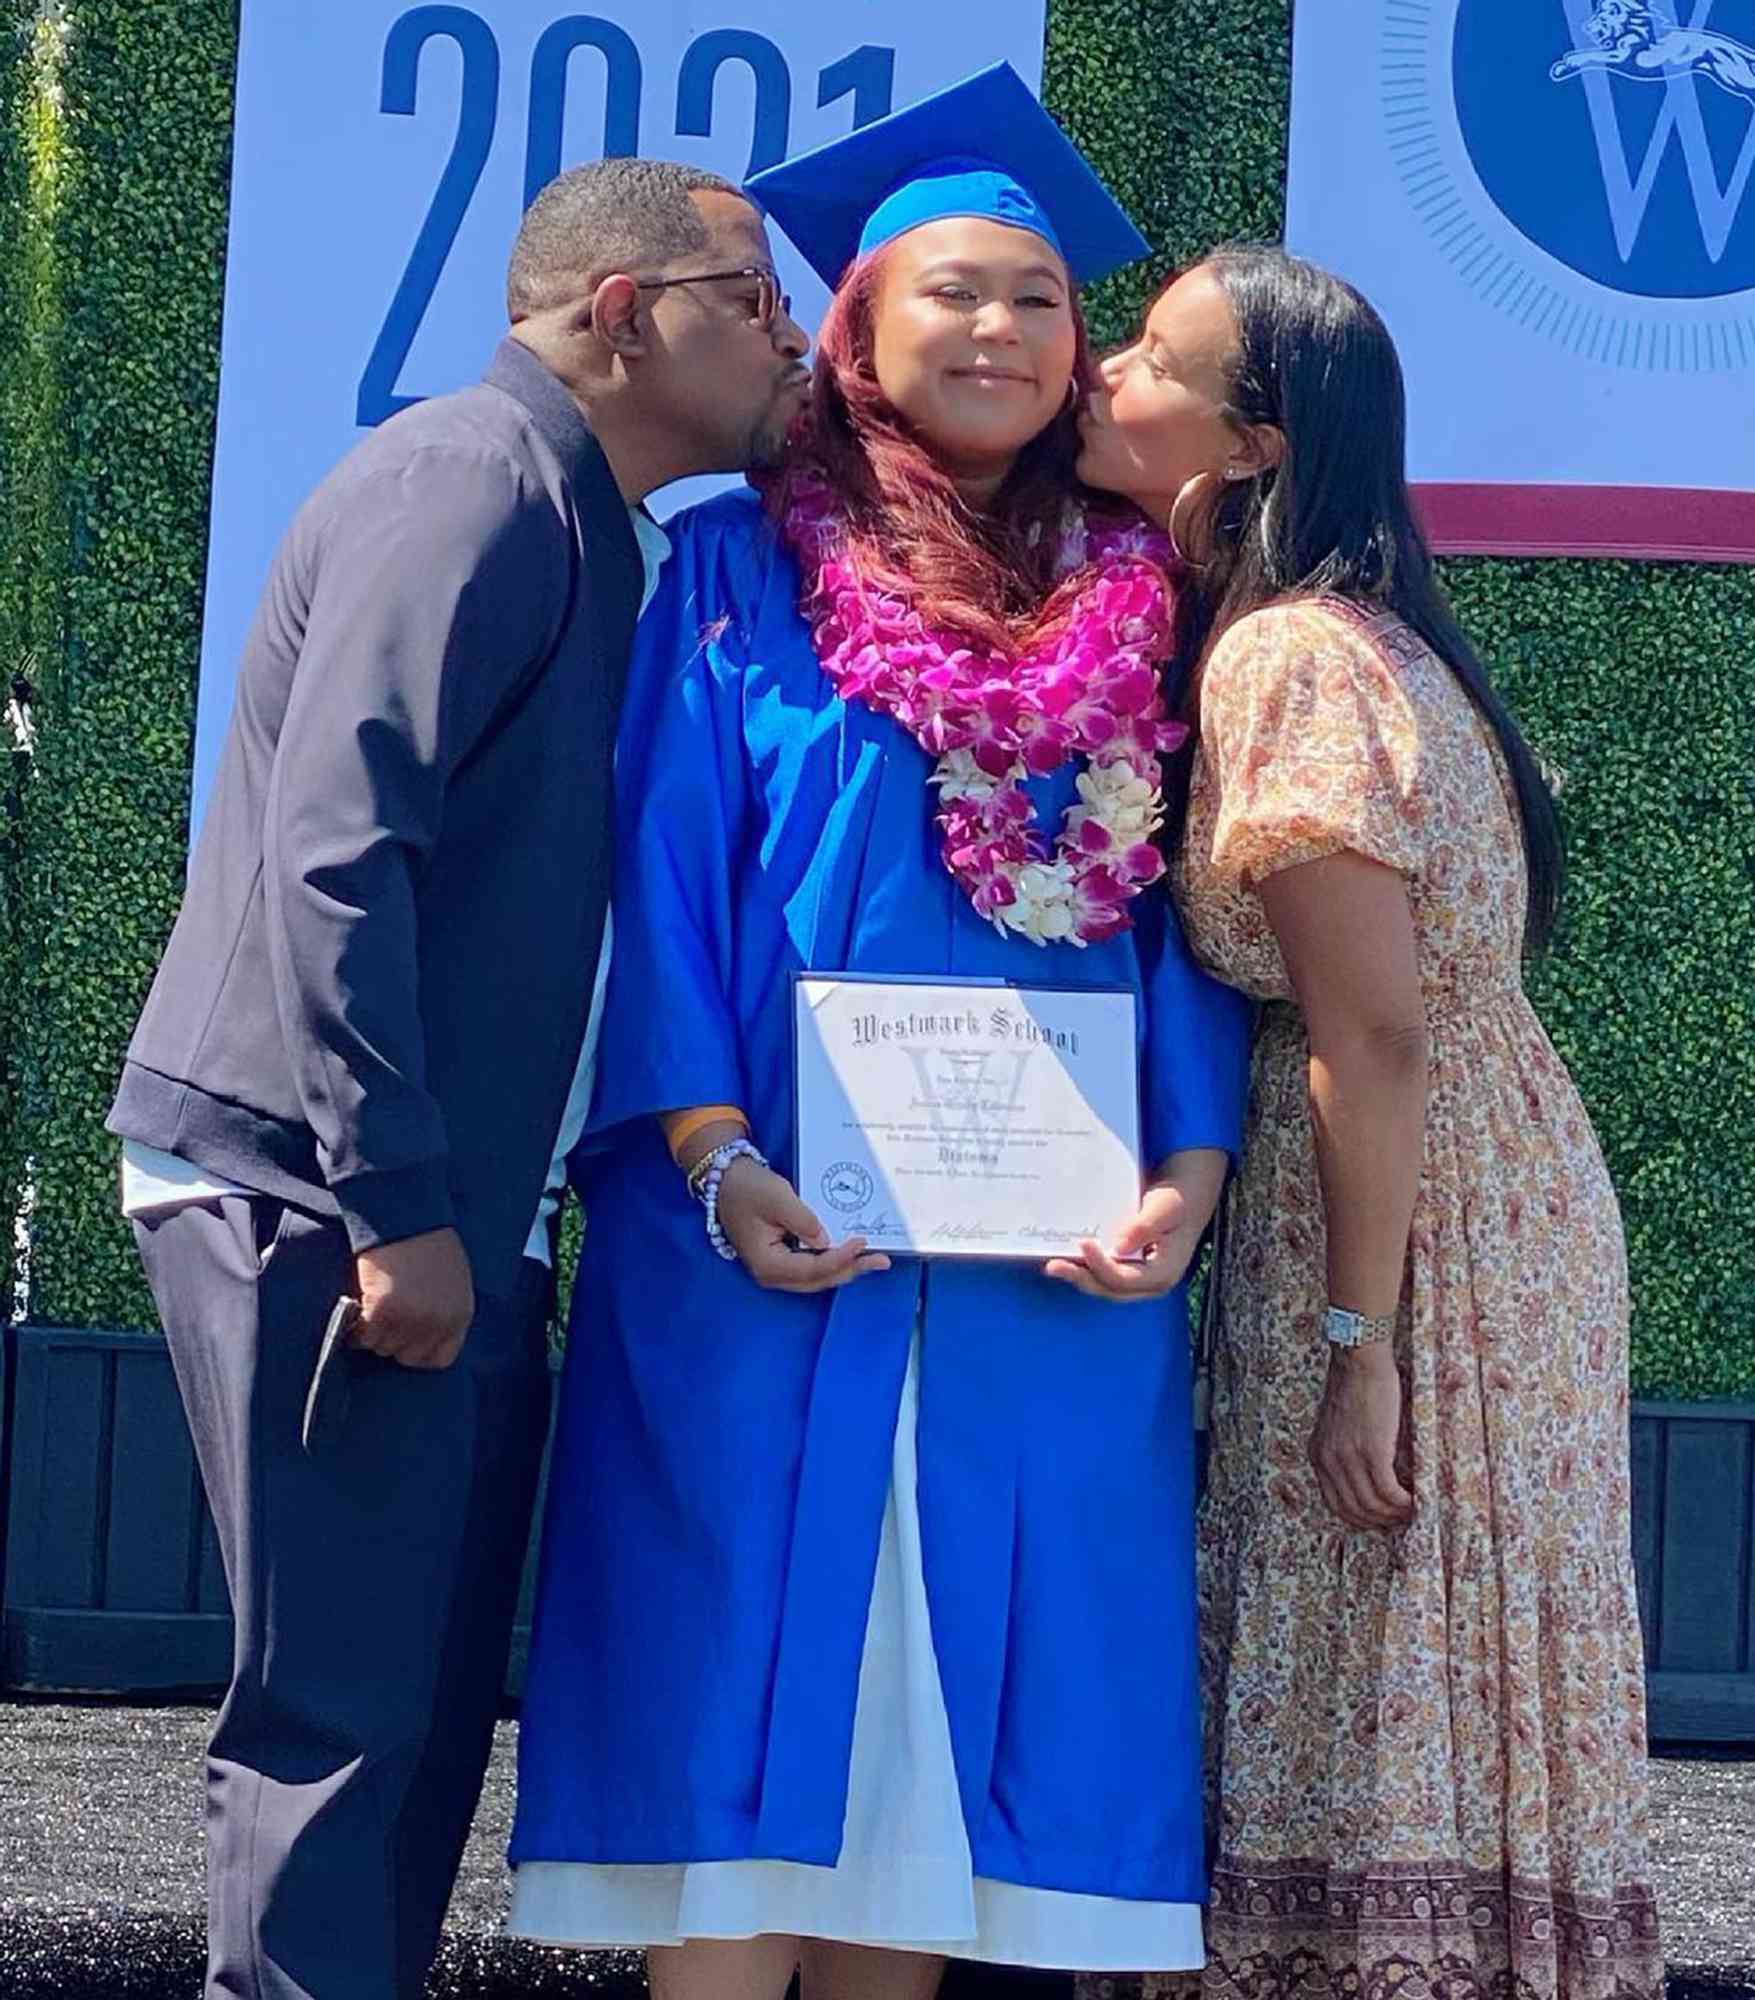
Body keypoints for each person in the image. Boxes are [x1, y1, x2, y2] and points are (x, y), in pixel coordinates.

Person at [506, 64, 1252, 2000]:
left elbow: (1187, 922)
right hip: (767, 1244)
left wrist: (1183, 1172)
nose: (996, 327)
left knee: (932, 1781)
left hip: (1045, 1274)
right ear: (852, 332)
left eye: (1033, 296)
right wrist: (709, 1153)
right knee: (741, 1734)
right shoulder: (738, 576)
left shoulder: (1151, 604)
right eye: (949, 291)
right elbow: (663, 891)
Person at [104, 159, 810, 2000]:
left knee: (408, 1718)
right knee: (337, 1718)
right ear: (624, 314)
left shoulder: (575, 511)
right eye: (753, 298)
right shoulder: (473, 485)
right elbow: (337, 855)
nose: (790, 338)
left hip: (415, 1204)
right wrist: (397, 1203)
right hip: (321, 1199)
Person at [1074, 245, 1663, 2000]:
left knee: (1381, 1615)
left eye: (1151, 358)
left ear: (1249, 445)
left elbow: (1376, 1028)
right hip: (1477, 1190)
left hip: (1423, 1229)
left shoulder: (1288, 660)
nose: (1102, 371)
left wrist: (1361, 1336)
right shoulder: (1363, 636)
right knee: (1435, 1647)